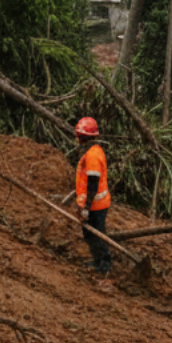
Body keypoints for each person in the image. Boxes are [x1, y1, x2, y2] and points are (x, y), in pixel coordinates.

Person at [74, 116, 112, 274]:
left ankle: (104, 266)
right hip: (94, 204)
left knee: (97, 235)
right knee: (90, 234)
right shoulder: (93, 151)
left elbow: (93, 184)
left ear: (83, 136)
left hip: (96, 205)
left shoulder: (92, 156)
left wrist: (86, 209)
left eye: (79, 135)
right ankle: (98, 261)